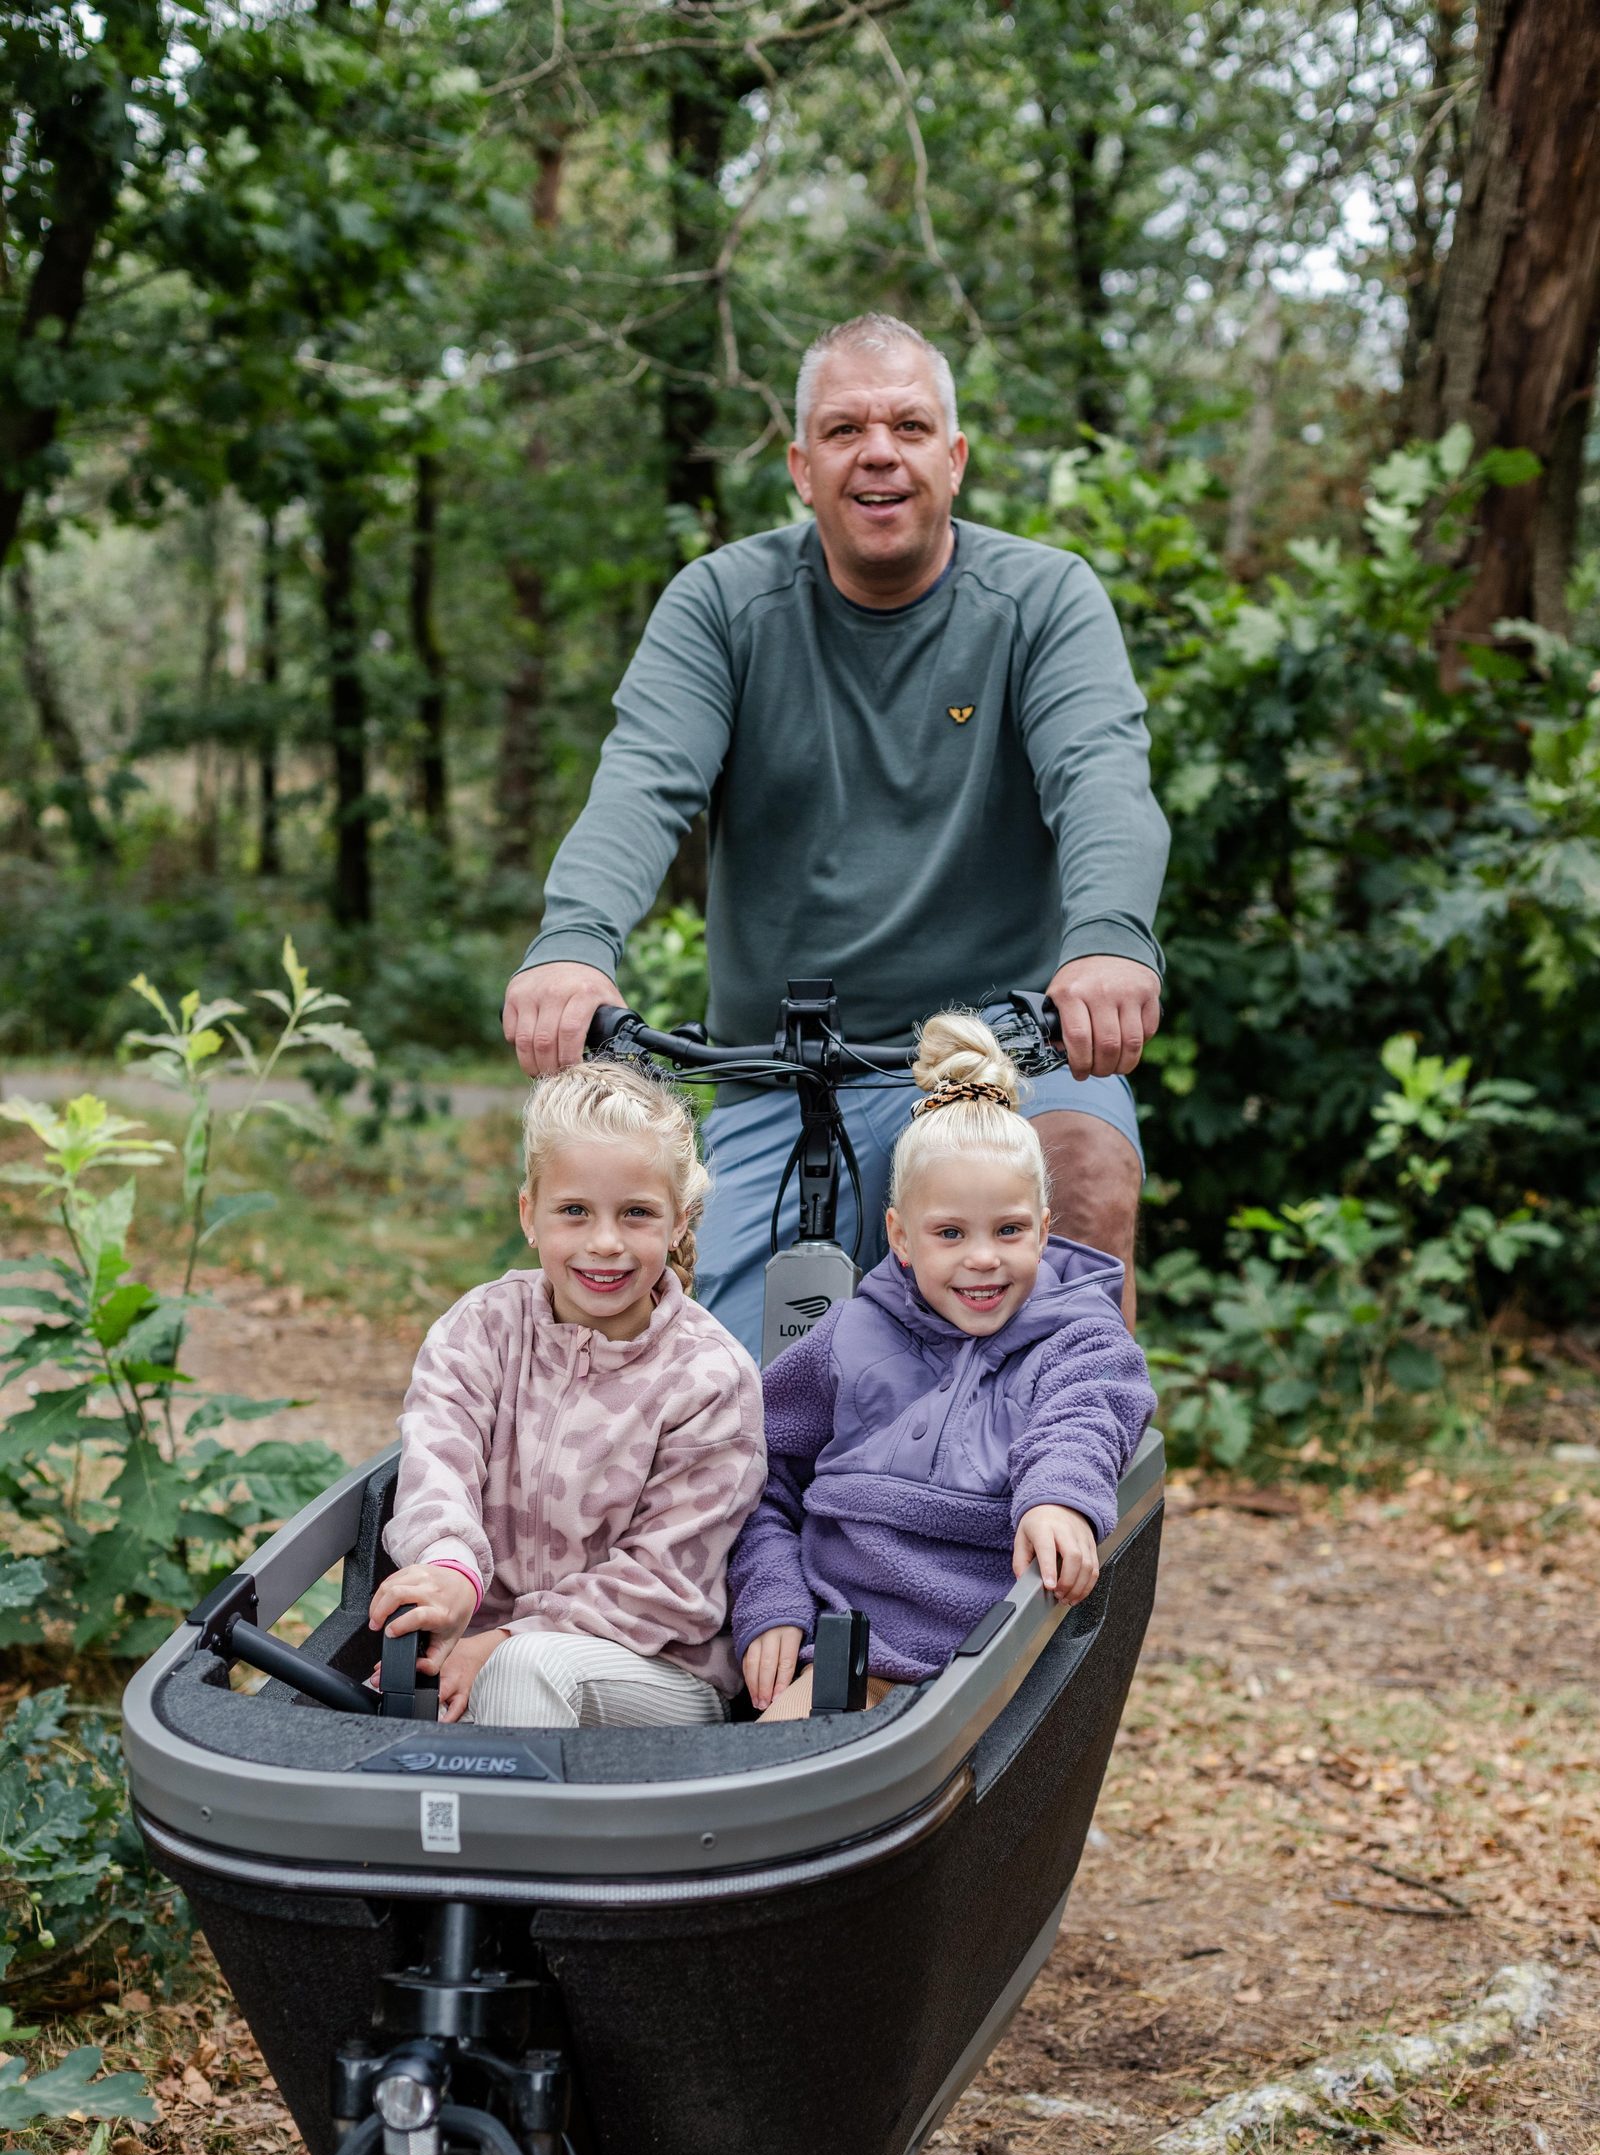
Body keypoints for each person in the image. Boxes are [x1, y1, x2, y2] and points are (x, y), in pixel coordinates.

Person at [502, 310, 1169, 1355]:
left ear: (954, 459)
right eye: (845, 429)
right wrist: (574, 943)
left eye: (908, 426)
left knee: (1079, 1179)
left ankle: (1062, 1499)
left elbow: (1101, 781)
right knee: (704, 1383)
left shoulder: (1042, 601)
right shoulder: (723, 605)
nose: (878, 453)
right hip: (782, 1071)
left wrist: (1110, 940)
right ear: (801, 467)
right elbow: (642, 780)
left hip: (1007, 1055)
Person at [728, 1014, 1155, 1721]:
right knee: (774, 1794)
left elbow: (1086, 1416)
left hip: (993, 1664)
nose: (982, 1258)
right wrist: (772, 1599)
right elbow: (760, 1473)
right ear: (900, 1236)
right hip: (849, 1656)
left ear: (1046, 1230)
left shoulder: (1080, 1336)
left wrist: (1058, 1497)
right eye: (950, 1233)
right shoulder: (849, 1336)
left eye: (1010, 1231)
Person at [368, 1060, 765, 1728]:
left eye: (636, 1214)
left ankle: (502, 1826)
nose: (604, 1243)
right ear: (530, 1213)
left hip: (655, 1669)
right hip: (473, 1647)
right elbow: (438, 1462)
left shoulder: (710, 1378)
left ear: (677, 1222)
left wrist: (505, 1642)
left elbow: (664, 1585)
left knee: (526, 1672)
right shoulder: (484, 1329)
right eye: (574, 1211)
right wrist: (449, 1569)